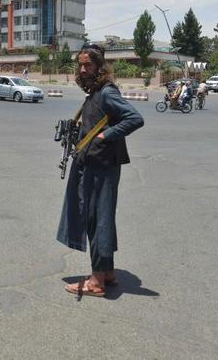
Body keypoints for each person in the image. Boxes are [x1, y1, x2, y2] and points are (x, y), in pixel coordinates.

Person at [58, 44, 144, 297]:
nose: (83, 70)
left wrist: (107, 135)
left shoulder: (107, 93)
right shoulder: (95, 93)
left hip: (101, 166)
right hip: (94, 164)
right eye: (80, 65)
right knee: (100, 217)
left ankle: (96, 282)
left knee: (97, 219)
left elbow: (135, 118)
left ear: (100, 67)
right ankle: (106, 272)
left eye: (88, 65)